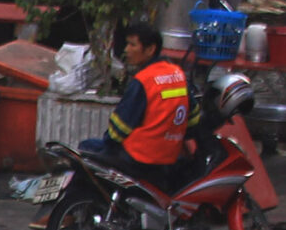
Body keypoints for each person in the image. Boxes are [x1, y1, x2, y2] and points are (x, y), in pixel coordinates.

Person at [80, 20, 201, 186]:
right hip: (167, 159)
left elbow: (118, 130)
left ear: (150, 49)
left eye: (132, 45)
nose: (126, 50)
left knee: (86, 147)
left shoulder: (144, 80)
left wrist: (107, 147)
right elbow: (193, 118)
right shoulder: (178, 74)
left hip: (138, 159)